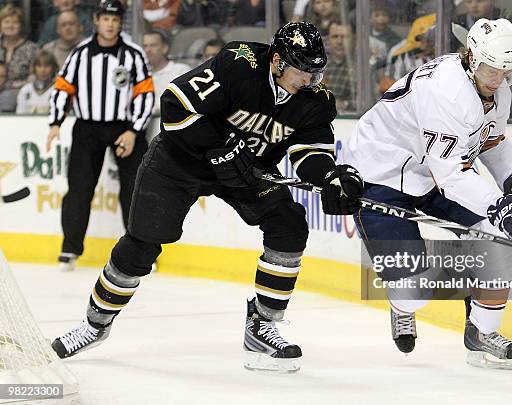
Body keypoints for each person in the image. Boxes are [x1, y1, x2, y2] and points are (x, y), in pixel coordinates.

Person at [50, 21, 363, 373]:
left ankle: (262, 326)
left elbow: (310, 152)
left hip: (245, 171)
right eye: (301, 72)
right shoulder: (238, 64)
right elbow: (174, 106)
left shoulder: (315, 101)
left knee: (288, 224)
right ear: (276, 60)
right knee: (140, 246)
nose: (310, 81)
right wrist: (219, 148)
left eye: (315, 73)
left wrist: (330, 176)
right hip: (181, 160)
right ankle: (94, 324)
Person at [342, 18, 512, 370]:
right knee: (414, 292)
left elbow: (490, 143)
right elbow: (451, 176)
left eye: (506, 72)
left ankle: (482, 335)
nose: (498, 80)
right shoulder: (446, 90)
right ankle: (402, 305)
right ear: (471, 56)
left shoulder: (497, 87)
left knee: (499, 238)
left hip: (433, 172)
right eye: (492, 70)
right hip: (382, 175)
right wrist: (499, 205)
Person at [46, 0, 154, 272]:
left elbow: (145, 94)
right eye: (105, 18)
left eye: (115, 19)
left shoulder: (133, 54)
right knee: (79, 189)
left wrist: (134, 130)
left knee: (135, 191)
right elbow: (62, 88)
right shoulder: (79, 53)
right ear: (96, 20)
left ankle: (140, 254)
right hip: (87, 128)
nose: (110, 23)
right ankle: (70, 248)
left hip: (124, 128)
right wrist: (56, 121)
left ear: (120, 23)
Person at [142, 29, 190, 114]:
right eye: (145, 46)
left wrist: (148, 109)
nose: (148, 50)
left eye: (153, 45)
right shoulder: (140, 75)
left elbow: (181, 103)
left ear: (165, 48)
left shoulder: (181, 71)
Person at [0, 4, 39, 95]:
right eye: (6, 22)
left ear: (21, 26)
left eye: (15, 22)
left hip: (20, 94)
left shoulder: (32, 49)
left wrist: (13, 86)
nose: (10, 25)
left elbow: (35, 77)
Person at [325, 21, 356, 113]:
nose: (339, 42)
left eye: (345, 37)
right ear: (328, 39)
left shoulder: (363, 68)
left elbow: (371, 101)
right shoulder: (317, 67)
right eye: (335, 37)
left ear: (354, 39)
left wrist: (344, 104)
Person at [16, 50, 58, 114]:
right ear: (34, 67)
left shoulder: (58, 90)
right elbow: (19, 114)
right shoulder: (25, 90)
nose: (42, 70)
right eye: (39, 66)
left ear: (53, 68)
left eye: (46, 66)